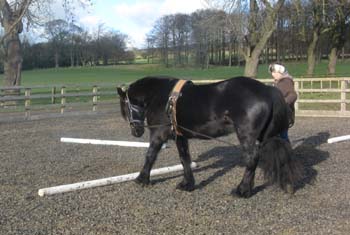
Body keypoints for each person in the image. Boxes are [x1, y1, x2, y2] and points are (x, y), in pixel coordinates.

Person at [269, 62, 297, 143]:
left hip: (284, 114)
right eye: (272, 73)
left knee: (282, 136)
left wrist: (282, 103)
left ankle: (286, 151)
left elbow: (293, 95)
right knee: (280, 135)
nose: (273, 75)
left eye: (275, 72)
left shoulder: (286, 81)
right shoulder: (278, 82)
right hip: (279, 113)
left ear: (281, 72)